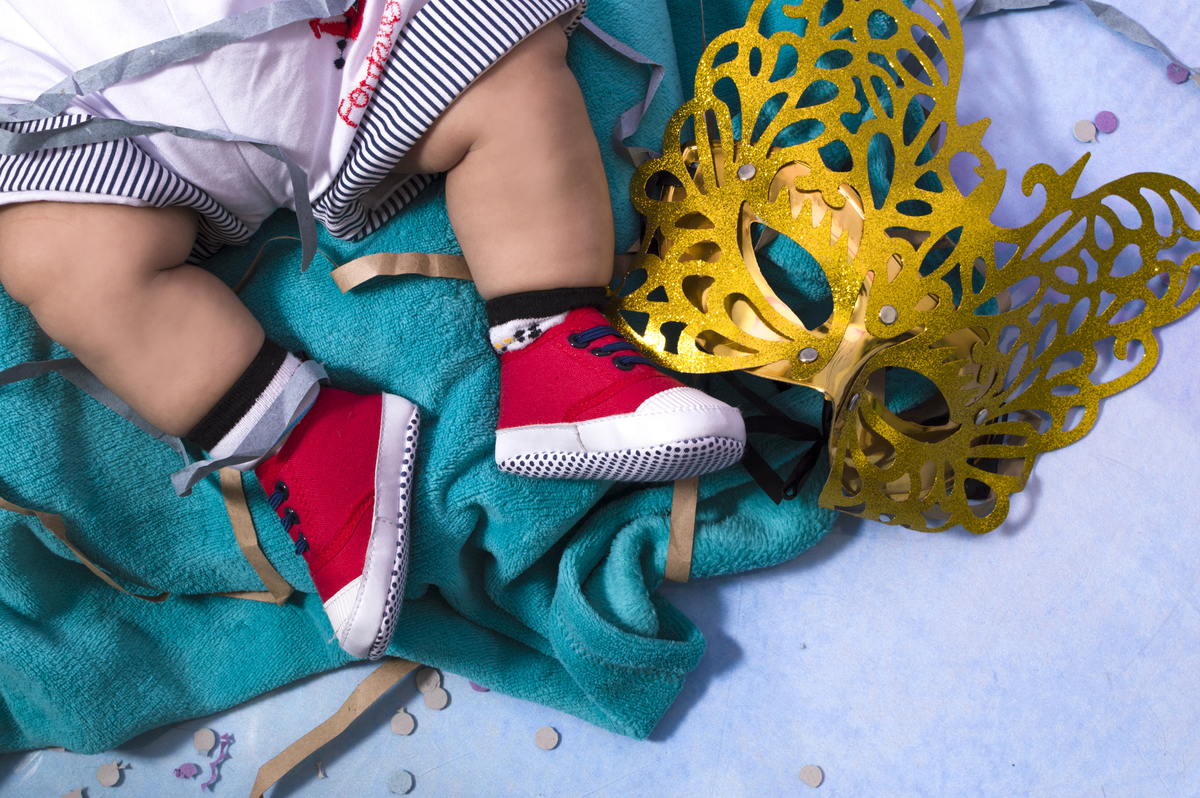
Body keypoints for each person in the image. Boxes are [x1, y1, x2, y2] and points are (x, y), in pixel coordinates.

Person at [0, 0, 746, 659]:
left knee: (505, 63)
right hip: (94, 130)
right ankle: (311, 445)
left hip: (339, 45)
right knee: (56, 263)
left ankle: (552, 349)